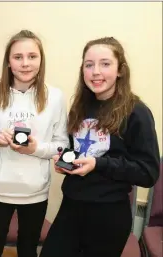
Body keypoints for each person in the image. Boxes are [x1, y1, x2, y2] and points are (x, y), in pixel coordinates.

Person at [39, 37, 160, 257]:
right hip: (71, 207)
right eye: (89, 64)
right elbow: (76, 149)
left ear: (120, 70)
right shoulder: (80, 106)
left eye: (105, 63)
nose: (95, 71)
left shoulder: (137, 112)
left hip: (108, 215)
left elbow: (148, 172)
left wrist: (98, 164)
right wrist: (66, 161)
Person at [0, 30, 69, 257]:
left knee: (28, 248)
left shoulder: (55, 97)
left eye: (32, 56)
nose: (25, 63)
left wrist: (36, 148)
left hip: (36, 191)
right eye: (18, 57)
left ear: (41, 60)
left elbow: (62, 146)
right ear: (8, 62)